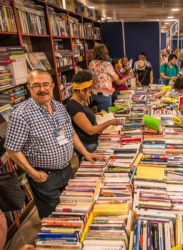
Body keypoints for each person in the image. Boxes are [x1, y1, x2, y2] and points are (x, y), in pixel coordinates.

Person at [4, 70, 101, 219]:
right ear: (29, 88)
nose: (42, 89)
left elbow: (71, 134)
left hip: (67, 170)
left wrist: (86, 153)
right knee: (56, 218)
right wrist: (32, 173)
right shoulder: (21, 114)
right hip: (44, 176)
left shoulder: (60, 107)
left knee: (72, 209)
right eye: (36, 85)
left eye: (45, 85)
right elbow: (12, 149)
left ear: (53, 86)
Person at [65, 70, 119, 155]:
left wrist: (94, 114)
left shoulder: (79, 102)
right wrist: (110, 122)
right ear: (82, 91)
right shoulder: (73, 106)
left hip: (92, 143)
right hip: (88, 146)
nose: (90, 95)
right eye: (89, 91)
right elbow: (90, 130)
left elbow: (83, 116)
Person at [89, 44, 119, 112]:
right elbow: (116, 78)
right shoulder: (107, 64)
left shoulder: (91, 63)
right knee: (106, 116)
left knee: (98, 115)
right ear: (105, 53)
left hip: (94, 94)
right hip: (105, 94)